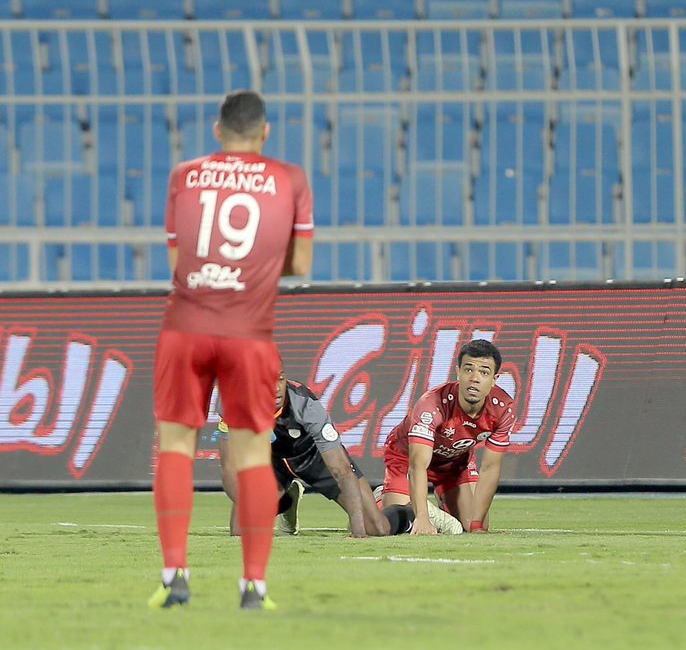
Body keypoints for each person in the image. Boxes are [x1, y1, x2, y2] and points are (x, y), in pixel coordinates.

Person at [149, 90, 313, 611]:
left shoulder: (185, 175)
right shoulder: (290, 178)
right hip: (249, 333)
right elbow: (301, 264)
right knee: (251, 455)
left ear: (217, 131)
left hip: (186, 327)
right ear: (266, 133)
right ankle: (254, 587)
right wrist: (255, 267)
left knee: (175, 447)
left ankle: (174, 576)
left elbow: (178, 262)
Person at [216, 371, 458, 538]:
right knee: (240, 531)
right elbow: (229, 467)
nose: (275, 387)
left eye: (280, 378)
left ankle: (412, 511)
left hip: (317, 459)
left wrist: (358, 529)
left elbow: (341, 469)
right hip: (273, 462)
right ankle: (286, 500)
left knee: (377, 529)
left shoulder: (305, 406)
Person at [380, 339, 515, 535]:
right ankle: (384, 498)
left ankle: (434, 507)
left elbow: (490, 468)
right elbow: (418, 465)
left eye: (484, 372)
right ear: (458, 372)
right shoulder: (432, 404)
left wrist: (477, 525)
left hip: (455, 464)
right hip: (407, 459)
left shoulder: (503, 409)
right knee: (398, 520)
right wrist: (422, 518)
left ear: (494, 379)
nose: (475, 378)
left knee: (473, 525)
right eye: (468, 370)